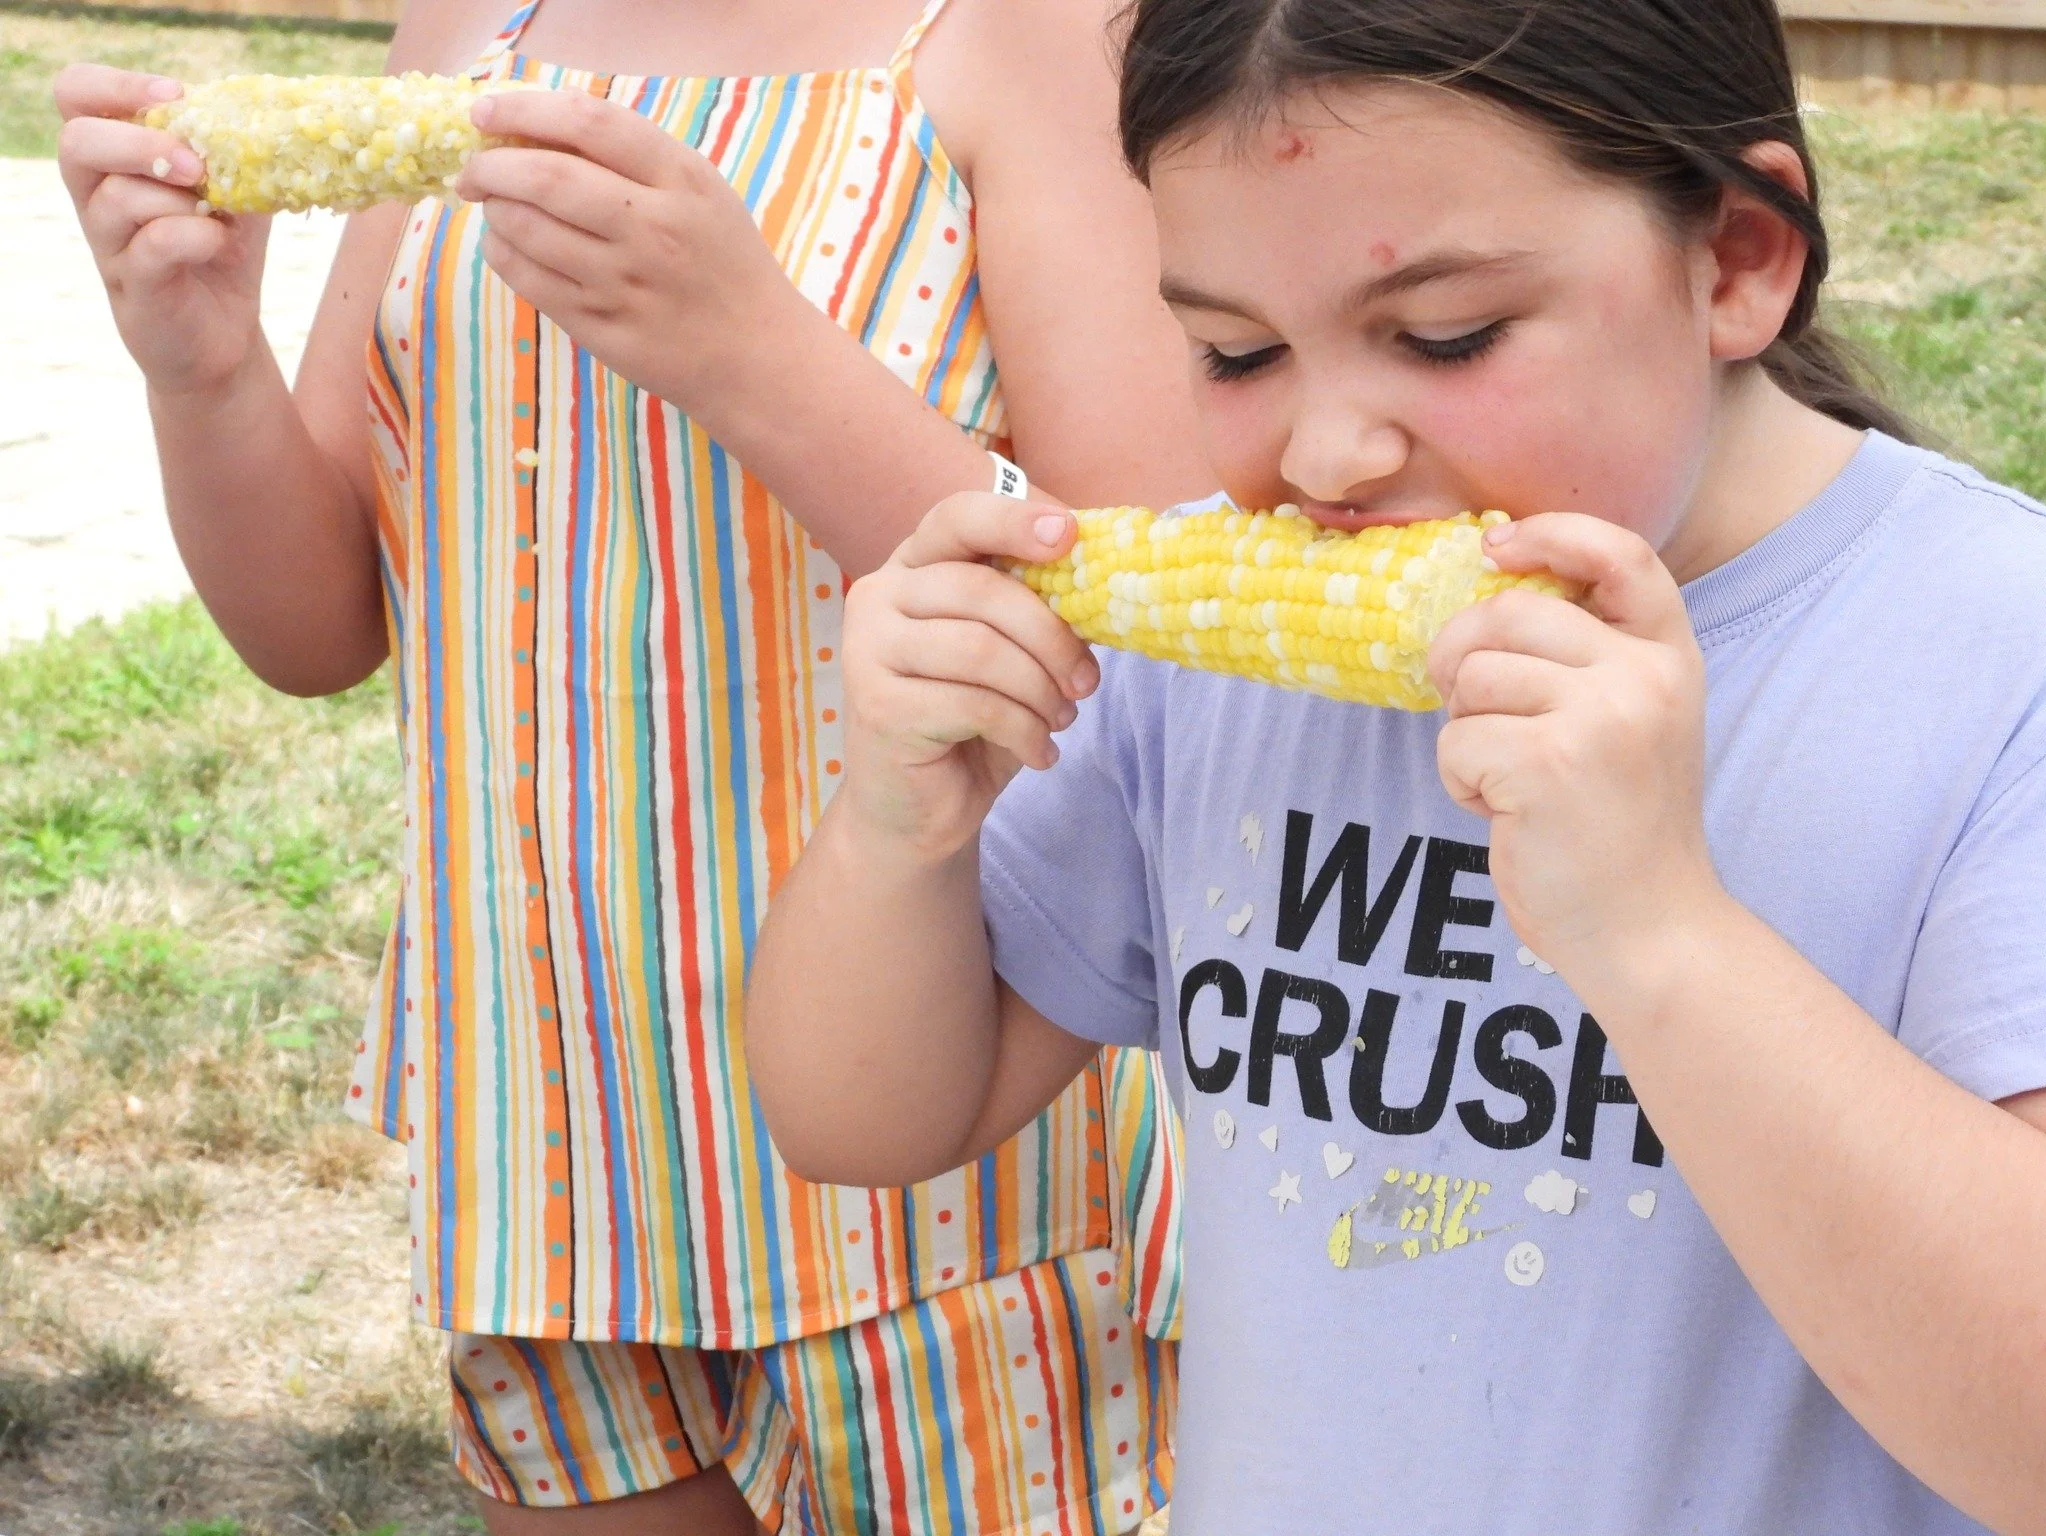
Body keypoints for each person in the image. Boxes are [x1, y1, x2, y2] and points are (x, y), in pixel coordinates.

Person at [745, 0, 2046, 1531]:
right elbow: (861, 1121)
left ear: (1739, 259)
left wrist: (1658, 930)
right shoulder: (1204, 680)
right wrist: (897, 829)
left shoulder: (1992, 660)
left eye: (1446, 336)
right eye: (1236, 350)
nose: (1324, 458)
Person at [53, 0, 1209, 1530]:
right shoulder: (471, 27)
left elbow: (1151, 631)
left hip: (950, 1152)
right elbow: (322, 620)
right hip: (562, 1137)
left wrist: (747, 351)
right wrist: (200, 370)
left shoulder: (1028, 38)